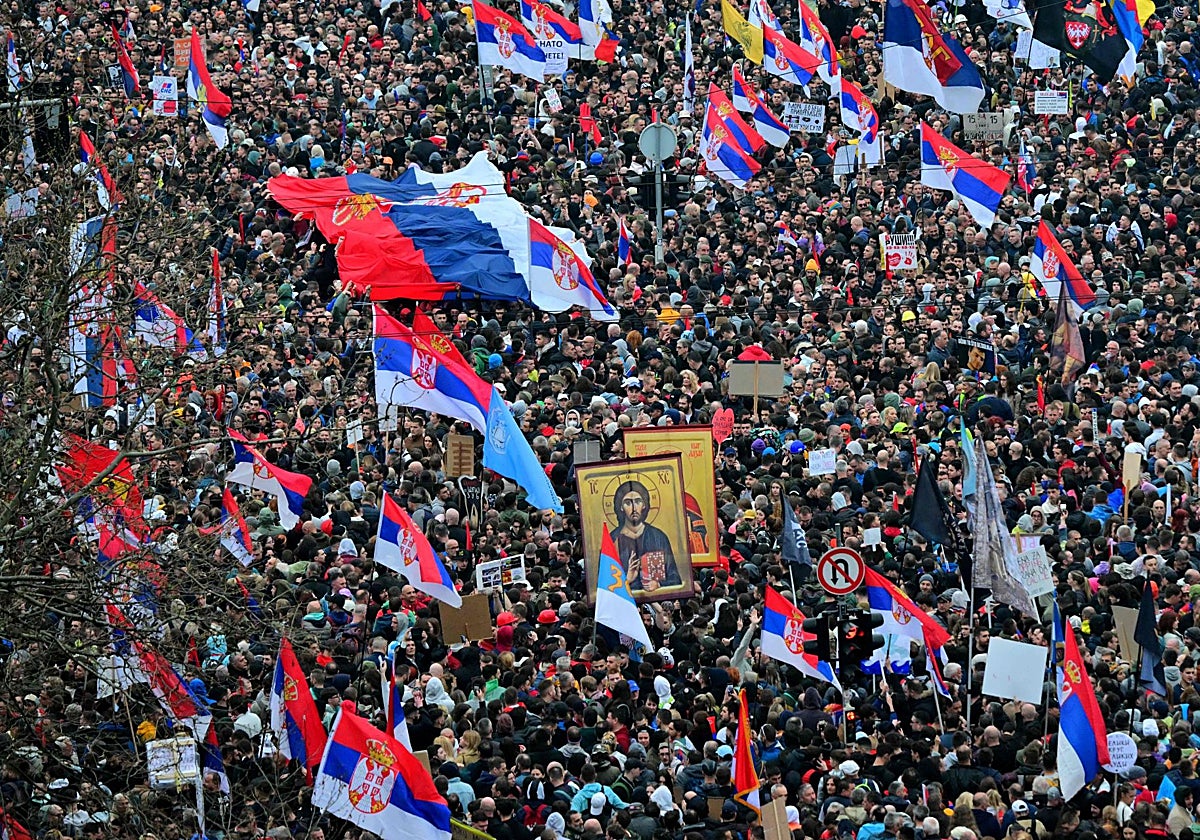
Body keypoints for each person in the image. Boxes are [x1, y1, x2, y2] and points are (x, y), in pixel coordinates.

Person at [611, 480, 681, 593]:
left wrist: (659, 584)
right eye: (628, 503)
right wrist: (626, 581)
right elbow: (606, 583)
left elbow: (674, 577)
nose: (634, 508)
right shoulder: (612, 540)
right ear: (621, 507)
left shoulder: (658, 537)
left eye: (638, 501)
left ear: (644, 505)